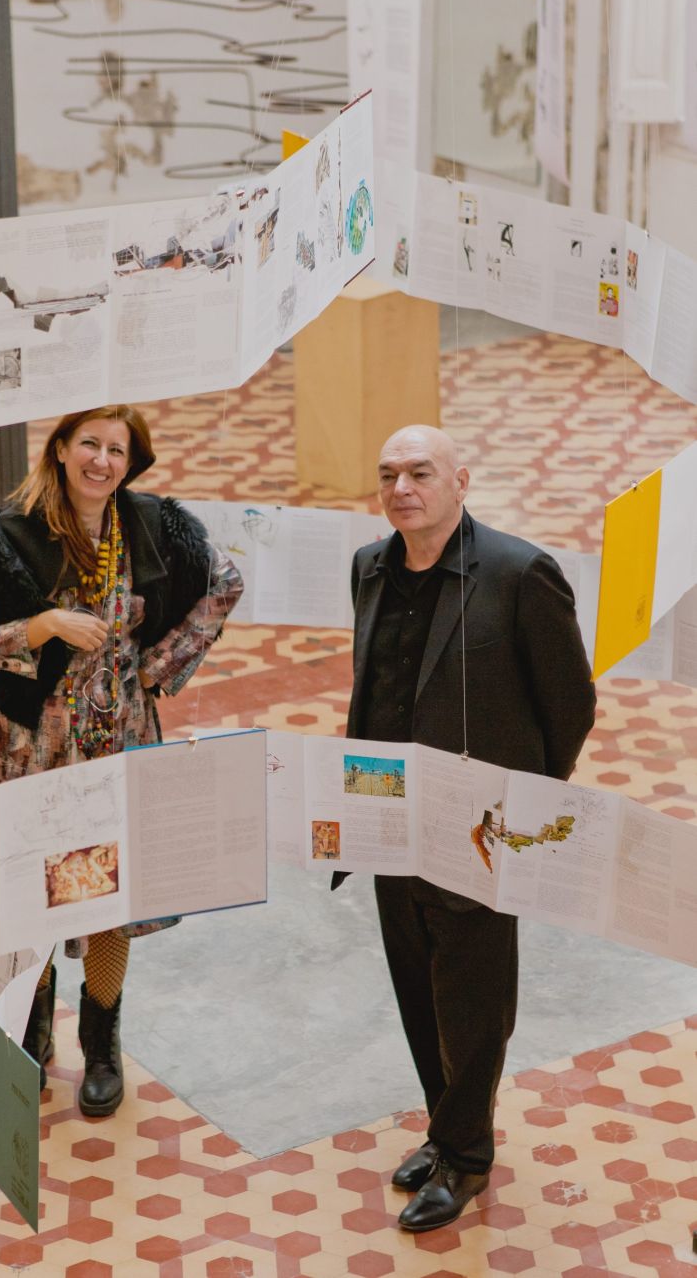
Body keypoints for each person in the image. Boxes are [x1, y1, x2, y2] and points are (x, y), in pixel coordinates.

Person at [339, 424, 595, 1232]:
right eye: (389, 474)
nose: (402, 489)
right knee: (417, 983)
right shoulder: (369, 566)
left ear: (460, 482)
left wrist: (523, 809)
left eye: (420, 473)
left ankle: (467, 1156)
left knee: (474, 995)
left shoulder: (520, 573)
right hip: (388, 814)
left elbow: (570, 704)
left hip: (479, 826)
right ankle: (444, 1128)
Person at [0, 405, 243, 1116]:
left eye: (118, 449)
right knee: (28, 894)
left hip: (117, 742)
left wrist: (158, 666)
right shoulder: (7, 534)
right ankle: (31, 1027)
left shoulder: (151, 525)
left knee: (111, 896)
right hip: (26, 747)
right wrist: (45, 624)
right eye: (90, 443)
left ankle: (102, 1041)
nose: (103, 461)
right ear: (60, 448)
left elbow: (224, 584)